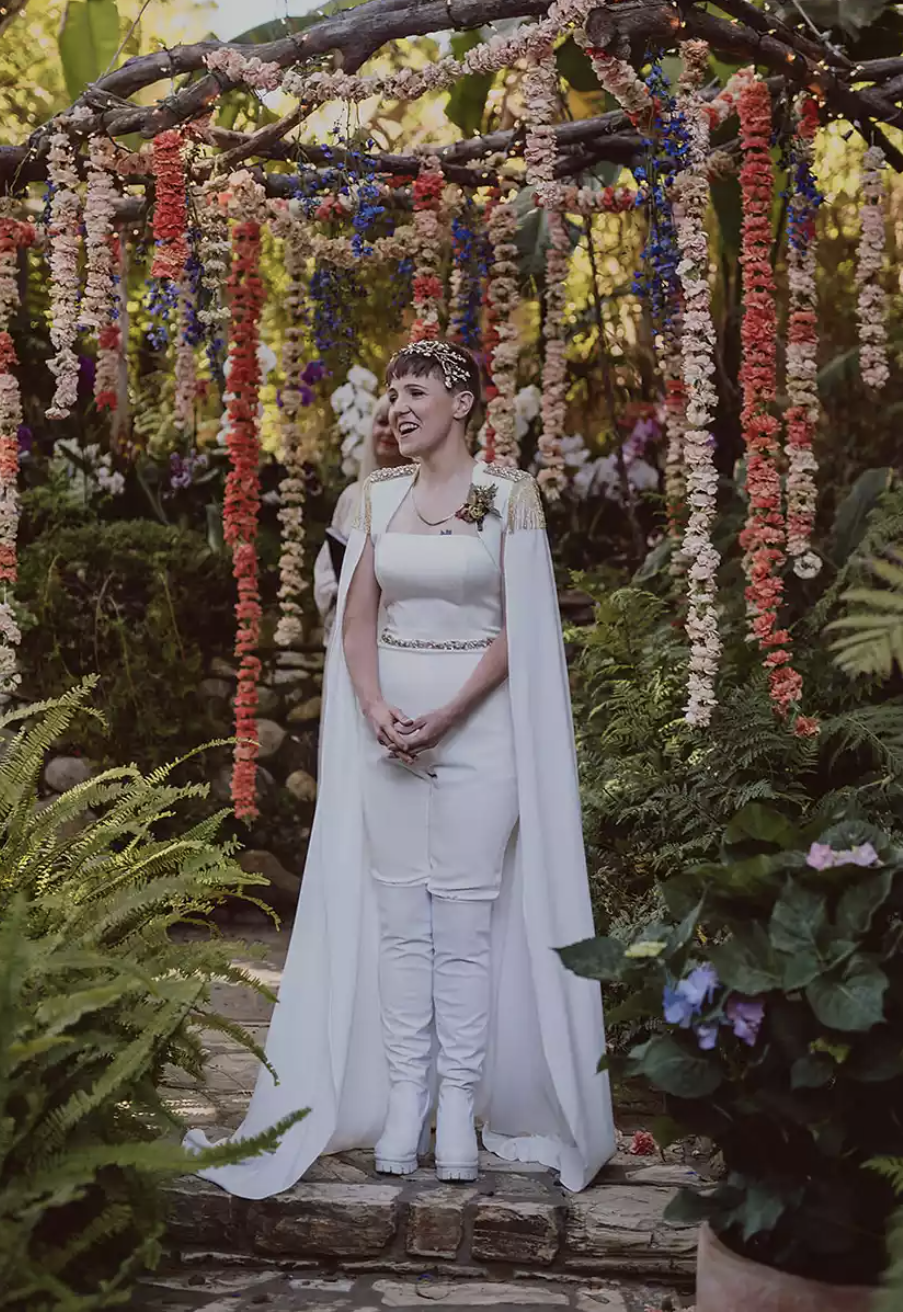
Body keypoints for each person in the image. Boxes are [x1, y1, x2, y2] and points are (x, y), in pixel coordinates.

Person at [187, 338, 614, 1195]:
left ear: (463, 404)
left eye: (416, 392)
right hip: (388, 735)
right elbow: (354, 621)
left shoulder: (509, 497)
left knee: (461, 922)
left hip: (479, 734)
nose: (399, 410)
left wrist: (450, 712)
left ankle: (458, 1105)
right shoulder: (372, 499)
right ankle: (404, 1096)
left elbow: (520, 629)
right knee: (397, 923)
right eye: (393, 397)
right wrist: (377, 709)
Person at [312, 393, 404, 642]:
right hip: (350, 629)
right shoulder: (353, 496)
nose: (387, 432)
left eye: (397, 425)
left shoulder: (425, 498)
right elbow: (327, 569)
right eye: (382, 422)